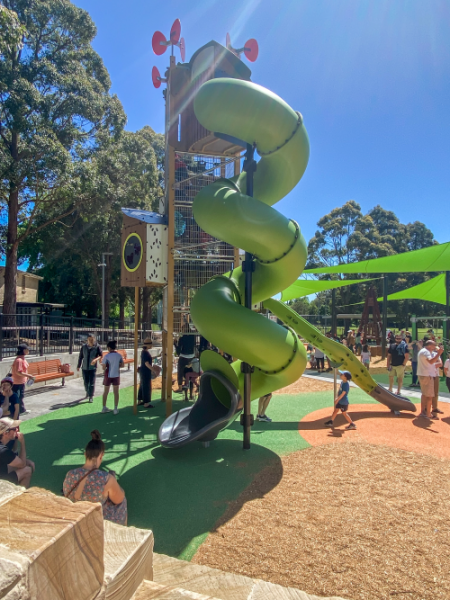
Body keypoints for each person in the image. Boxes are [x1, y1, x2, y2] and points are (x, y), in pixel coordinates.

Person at [63, 430, 127, 525]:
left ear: (85, 454)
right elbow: (119, 499)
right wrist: (114, 481)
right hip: (94, 522)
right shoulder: (106, 478)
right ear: (101, 456)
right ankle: (121, 532)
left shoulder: (70, 474)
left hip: (74, 518)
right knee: (122, 501)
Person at [0, 417, 35, 487]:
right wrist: (22, 442)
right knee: (27, 470)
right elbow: (22, 464)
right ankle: (21, 496)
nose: (17, 430)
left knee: (22, 464)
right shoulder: (3, 450)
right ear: (5, 433)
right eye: (14, 429)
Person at [417, 339, 444, 419]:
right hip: (427, 375)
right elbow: (431, 362)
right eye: (434, 345)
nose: (435, 346)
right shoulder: (426, 352)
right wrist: (439, 353)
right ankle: (428, 414)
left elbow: (437, 363)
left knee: (425, 395)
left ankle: (423, 412)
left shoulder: (424, 351)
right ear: (429, 345)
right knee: (429, 396)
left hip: (425, 375)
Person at [77, 334, 102, 402]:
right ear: (87, 339)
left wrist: (95, 360)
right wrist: (78, 365)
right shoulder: (84, 347)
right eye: (89, 339)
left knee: (91, 383)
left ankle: (91, 396)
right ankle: (87, 392)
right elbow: (81, 357)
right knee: (86, 382)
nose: (91, 341)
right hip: (84, 367)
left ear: (94, 339)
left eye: (92, 339)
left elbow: (100, 355)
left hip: (92, 368)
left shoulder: (97, 347)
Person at [101, 341, 124, 415]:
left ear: (109, 348)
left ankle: (104, 407)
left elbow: (103, 367)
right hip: (116, 375)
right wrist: (117, 366)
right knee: (116, 392)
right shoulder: (119, 355)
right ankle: (116, 408)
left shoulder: (106, 356)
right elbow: (122, 365)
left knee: (106, 392)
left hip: (108, 375)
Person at [12, 343, 34, 415]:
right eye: (27, 349)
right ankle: (20, 410)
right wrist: (29, 375)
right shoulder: (19, 360)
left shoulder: (22, 359)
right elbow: (18, 372)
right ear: (24, 350)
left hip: (21, 381)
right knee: (19, 396)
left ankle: (20, 409)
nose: (28, 351)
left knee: (20, 396)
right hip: (17, 382)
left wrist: (27, 377)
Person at [175, 325, 196, 393]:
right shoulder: (193, 336)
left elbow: (178, 351)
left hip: (184, 356)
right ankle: (191, 390)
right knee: (191, 372)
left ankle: (180, 387)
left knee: (180, 372)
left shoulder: (182, 338)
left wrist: (175, 343)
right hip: (192, 356)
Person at [138, 338, 158, 408]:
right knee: (146, 386)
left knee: (142, 385)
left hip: (142, 370)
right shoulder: (145, 353)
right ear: (148, 345)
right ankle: (146, 403)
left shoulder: (144, 352)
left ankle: (140, 400)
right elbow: (147, 363)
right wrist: (153, 370)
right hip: (145, 371)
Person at [432, 348, 443, 416]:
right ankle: (425, 408)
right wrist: (434, 363)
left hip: (436, 375)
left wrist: (432, 364)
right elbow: (428, 364)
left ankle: (435, 407)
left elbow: (440, 364)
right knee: (428, 393)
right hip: (428, 375)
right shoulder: (427, 354)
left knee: (436, 392)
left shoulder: (436, 354)